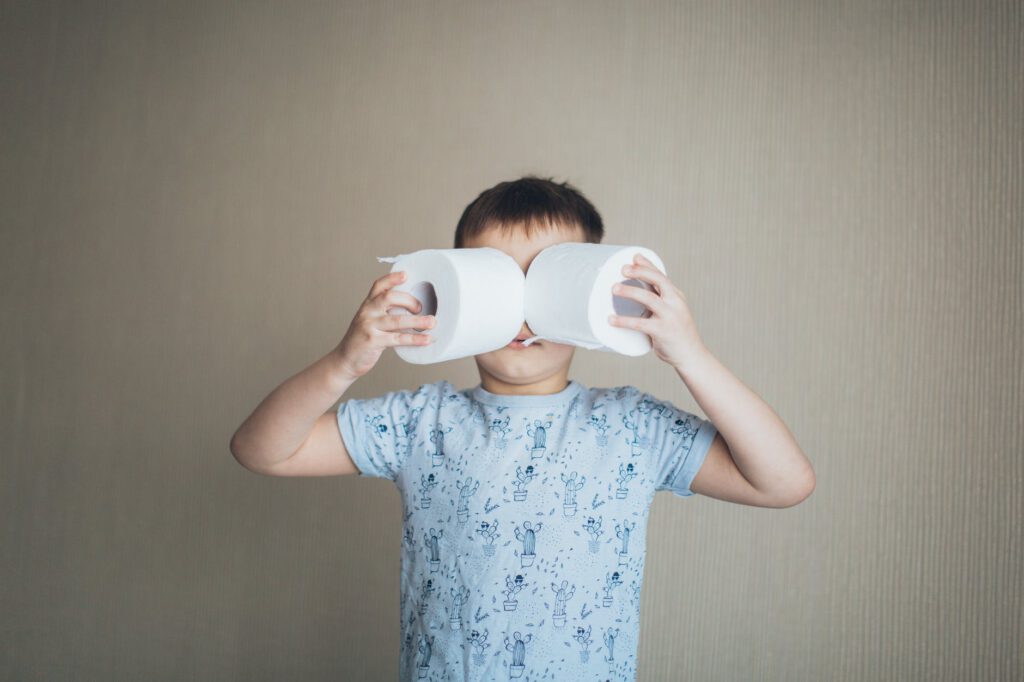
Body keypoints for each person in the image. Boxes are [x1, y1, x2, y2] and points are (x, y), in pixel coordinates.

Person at [229, 175, 816, 681]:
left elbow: (783, 483)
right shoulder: (419, 423)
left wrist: (692, 356)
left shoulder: (632, 428)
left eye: (549, 281)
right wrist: (343, 364)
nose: (523, 313)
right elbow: (262, 451)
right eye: (500, 282)